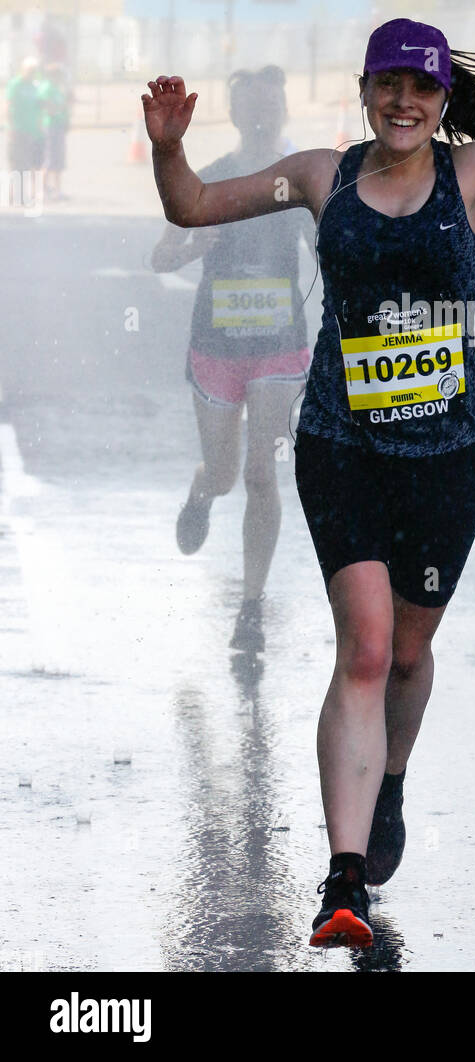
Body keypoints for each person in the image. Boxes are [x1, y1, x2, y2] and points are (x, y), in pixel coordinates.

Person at [142, 17, 475, 951]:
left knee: (407, 658)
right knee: (366, 650)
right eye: (387, 86)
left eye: (421, 88)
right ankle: (343, 880)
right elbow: (193, 207)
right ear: (365, 91)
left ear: (442, 98)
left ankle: (393, 780)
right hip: (341, 448)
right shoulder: (322, 176)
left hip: (448, 462)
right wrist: (167, 149)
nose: (404, 102)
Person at [150, 65, 314, 652]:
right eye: (252, 108)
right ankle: (202, 489)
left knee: (261, 473)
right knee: (224, 475)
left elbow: (331, 251)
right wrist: (196, 242)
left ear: (285, 111)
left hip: (278, 348)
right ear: (237, 114)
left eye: (273, 106)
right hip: (216, 346)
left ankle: (251, 606)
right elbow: (158, 259)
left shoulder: (300, 182)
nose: (264, 117)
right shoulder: (212, 178)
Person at [38, 63, 72, 201]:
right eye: (58, 75)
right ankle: (42, 190)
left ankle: (57, 191)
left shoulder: (57, 89)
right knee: (50, 159)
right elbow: (47, 107)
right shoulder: (47, 88)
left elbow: (62, 107)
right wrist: (60, 107)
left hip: (59, 126)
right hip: (50, 126)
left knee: (58, 160)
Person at [5, 57, 45, 172]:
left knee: (28, 164)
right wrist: (10, 126)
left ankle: (24, 189)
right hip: (18, 130)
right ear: (23, 69)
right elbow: (8, 104)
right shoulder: (16, 84)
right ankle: (13, 190)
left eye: (34, 70)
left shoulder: (35, 86)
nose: (32, 72)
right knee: (16, 165)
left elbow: (39, 106)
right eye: (30, 69)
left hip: (32, 131)